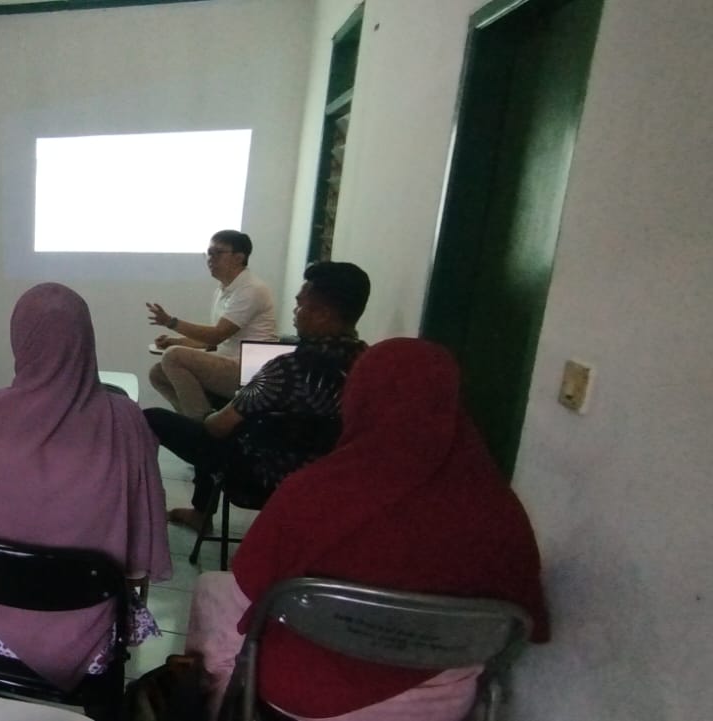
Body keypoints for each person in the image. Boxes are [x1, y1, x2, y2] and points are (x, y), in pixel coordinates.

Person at [186, 339, 551, 721]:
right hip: (439, 704)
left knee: (214, 590)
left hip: (304, 694)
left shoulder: (313, 493)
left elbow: (249, 590)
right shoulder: (500, 509)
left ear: (358, 400)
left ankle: (217, 709)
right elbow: (522, 619)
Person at [0, 283, 172, 694]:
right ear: (86, 340)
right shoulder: (126, 423)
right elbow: (138, 564)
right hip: (88, 647)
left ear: (20, 339)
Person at [147, 261, 371, 532]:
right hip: (326, 476)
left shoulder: (285, 368)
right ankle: (200, 511)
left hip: (257, 474)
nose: (294, 312)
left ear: (323, 314)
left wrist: (206, 417)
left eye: (300, 305)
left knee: (152, 418)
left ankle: (143, 512)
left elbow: (218, 428)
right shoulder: (367, 364)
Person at [146, 229, 278, 417]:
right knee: (158, 373)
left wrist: (171, 322)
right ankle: (192, 418)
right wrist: (175, 341)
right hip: (230, 362)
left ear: (239, 258)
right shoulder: (223, 290)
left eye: (218, 253)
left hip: (253, 370)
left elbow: (217, 335)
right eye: (209, 253)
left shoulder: (251, 289)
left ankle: (203, 423)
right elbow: (213, 342)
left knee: (173, 356)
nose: (210, 259)